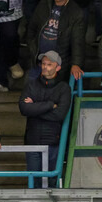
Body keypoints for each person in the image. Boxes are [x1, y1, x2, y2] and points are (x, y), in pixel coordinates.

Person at [20, 51, 71, 188]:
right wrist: (50, 105)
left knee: (53, 182)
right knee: (34, 183)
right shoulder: (31, 85)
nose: (45, 67)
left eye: (49, 64)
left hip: (54, 142)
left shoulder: (64, 88)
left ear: (58, 67)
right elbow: (24, 109)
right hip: (33, 141)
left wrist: (35, 108)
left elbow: (59, 114)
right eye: (43, 64)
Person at [25, 0, 87, 82]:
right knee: (28, 94)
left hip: (60, 65)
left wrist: (76, 64)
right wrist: (33, 48)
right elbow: (31, 29)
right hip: (39, 61)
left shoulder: (76, 13)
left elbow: (78, 42)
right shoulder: (43, 5)